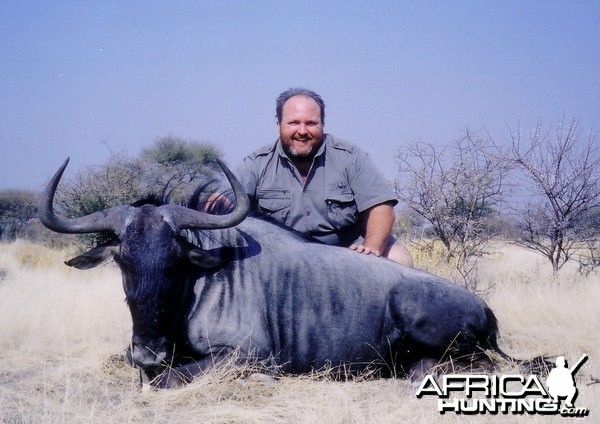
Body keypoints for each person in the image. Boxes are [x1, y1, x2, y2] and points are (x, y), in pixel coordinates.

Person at [235, 87, 413, 267]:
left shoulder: (350, 157)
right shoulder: (256, 164)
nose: (302, 131)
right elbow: (223, 204)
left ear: (322, 124)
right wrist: (216, 203)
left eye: (311, 123)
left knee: (398, 258)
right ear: (278, 125)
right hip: (280, 257)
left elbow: (381, 208)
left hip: (346, 254)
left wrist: (371, 249)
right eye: (294, 123)